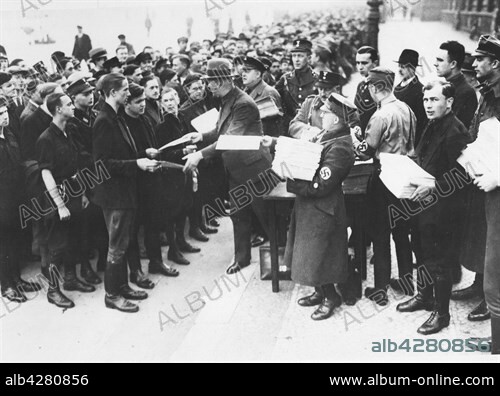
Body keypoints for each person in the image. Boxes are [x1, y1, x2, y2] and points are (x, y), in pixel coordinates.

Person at [183, 58, 274, 275]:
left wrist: (199, 155)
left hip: (255, 171)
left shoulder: (242, 103)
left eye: (211, 81)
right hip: (237, 169)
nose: (208, 86)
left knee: (268, 218)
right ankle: (242, 258)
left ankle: (284, 261)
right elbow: (220, 130)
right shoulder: (227, 100)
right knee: (239, 215)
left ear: (223, 80)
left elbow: (230, 138)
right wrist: (201, 136)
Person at [396, 81, 470, 335]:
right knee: (422, 251)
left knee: (440, 261)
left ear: (448, 102)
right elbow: (424, 157)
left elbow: (462, 176)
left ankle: (442, 314)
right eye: (426, 100)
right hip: (423, 205)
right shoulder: (433, 123)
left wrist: (433, 187)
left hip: (445, 210)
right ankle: (424, 296)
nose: (428, 105)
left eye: (434, 100)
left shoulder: (456, 131)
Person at [280, 93, 355, 321]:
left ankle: (331, 296)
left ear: (336, 119)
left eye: (327, 112)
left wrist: (294, 182)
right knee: (310, 255)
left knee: (320, 256)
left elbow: (321, 184)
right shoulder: (327, 135)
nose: (321, 114)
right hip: (313, 207)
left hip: (323, 208)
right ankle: (320, 291)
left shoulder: (340, 147)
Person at [92, 73, 160, 313]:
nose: (128, 94)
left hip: (124, 191)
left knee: (123, 241)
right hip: (114, 195)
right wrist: (137, 164)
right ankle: (112, 294)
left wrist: (142, 152)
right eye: (124, 90)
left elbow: (122, 151)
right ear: (112, 93)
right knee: (117, 246)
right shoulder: (104, 120)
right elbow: (103, 164)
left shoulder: (115, 116)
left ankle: (122, 286)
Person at [353, 67, 416, 306]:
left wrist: (354, 139)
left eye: (370, 87)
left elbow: (366, 150)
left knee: (380, 233)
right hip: (406, 174)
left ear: (376, 87)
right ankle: (407, 282)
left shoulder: (380, 116)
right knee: (401, 231)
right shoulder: (406, 109)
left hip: (384, 177)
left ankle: (380, 290)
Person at [37, 92, 97, 309]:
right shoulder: (46, 138)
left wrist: (80, 194)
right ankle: (53, 290)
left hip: (74, 191)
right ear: (58, 109)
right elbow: (46, 173)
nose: (73, 107)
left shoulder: (68, 131)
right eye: (69, 104)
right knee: (57, 247)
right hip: (57, 197)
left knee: (73, 238)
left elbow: (76, 166)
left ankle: (71, 279)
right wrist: (60, 205)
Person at [122, 83, 177, 284]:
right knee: (133, 230)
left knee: (153, 224)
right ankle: (135, 271)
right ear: (127, 103)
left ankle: (156, 261)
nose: (143, 105)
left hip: (151, 180)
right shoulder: (123, 123)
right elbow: (123, 155)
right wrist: (143, 155)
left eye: (144, 100)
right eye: (138, 102)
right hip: (133, 183)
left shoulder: (144, 119)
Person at [469, 35, 500, 354]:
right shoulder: (488, 94)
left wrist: (497, 177)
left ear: (496, 64)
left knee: (495, 275)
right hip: (488, 187)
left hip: (497, 188)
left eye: (480, 59)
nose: (474, 64)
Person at [0, 97, 41, 303]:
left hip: (16, 196)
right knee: (3, 244)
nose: (4, 116)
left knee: (15, 240)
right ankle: (6, 285)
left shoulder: (9, 134)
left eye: (5, 112)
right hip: (2, 200)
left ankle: (17, 279)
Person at [66, 77, 105, 283]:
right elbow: (79, 155)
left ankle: (101, 261)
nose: (91, 97)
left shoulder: (94, 115)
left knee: (99, 221)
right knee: (84, 226)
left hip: (99, 174)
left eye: (91, 93)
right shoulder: (72, 122)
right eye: (85, 94)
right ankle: (85, 268)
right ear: (73, 98)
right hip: (86, 177)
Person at [155, 88, 200, 266]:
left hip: (186, 169)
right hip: (172, 174)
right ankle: (173, 250)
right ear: (161, 105)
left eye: (172, 99)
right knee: (172, 213)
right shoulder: (162, 126)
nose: (170, 103)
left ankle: (181, 241)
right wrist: (183, 150)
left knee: (184, 208)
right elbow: (162, 154)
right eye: (165, 101)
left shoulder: (182, 120)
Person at [289, 71, 345, 140]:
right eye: (320, 89)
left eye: (327, 89)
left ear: (337, 89)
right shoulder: (310, 103)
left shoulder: (345, 108)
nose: (322, 93)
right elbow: (293, 125)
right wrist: (309, 129)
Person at [435, 41, 478, 129]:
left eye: (440, 60)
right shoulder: (444, 86)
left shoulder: (466, 93)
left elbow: (455, 132)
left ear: (453, 64)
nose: (435, 64)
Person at [275, 39, 317, 131]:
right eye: (294, 56)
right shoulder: (285, 79)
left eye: (300, 56)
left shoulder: (317, 79)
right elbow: (274, 97)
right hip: (289, 126)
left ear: (309, 58)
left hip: (311, 127)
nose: (296, 60)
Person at [241, 56, 283, 137]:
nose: (243, 74)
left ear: (258, 74)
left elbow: (271, 128)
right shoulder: (245, 91)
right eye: (243, 70)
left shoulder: (269, 93)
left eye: (248, 71)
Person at [394, 49, 426, 146]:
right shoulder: (397, 88)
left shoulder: (420, 90)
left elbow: (421, 122)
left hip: (409, 142)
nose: (400, 70)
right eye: (399, 66)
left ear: (413, 68)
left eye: (403, 67)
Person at [354, 46, 379, 136]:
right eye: (358, 63)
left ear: (375, 63)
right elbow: (356, 111)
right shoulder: (361, 85)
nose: (360, 67)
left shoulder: (380, 86)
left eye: (364, 63)